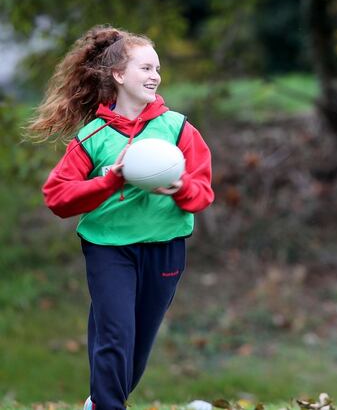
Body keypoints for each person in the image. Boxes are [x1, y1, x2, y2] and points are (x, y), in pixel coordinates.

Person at [26, 25, 215, 410]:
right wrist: (111, 180)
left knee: (137, 346)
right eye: (145, 68)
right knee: (115, 336)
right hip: (109, 249)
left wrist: (179, 188)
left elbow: (202, 195)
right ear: (118, 75)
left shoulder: (178, 128)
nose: (155, 76)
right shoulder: (93, 136)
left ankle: (100, 402)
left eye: (157, 68)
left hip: (165, 248)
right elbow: (57, 197)